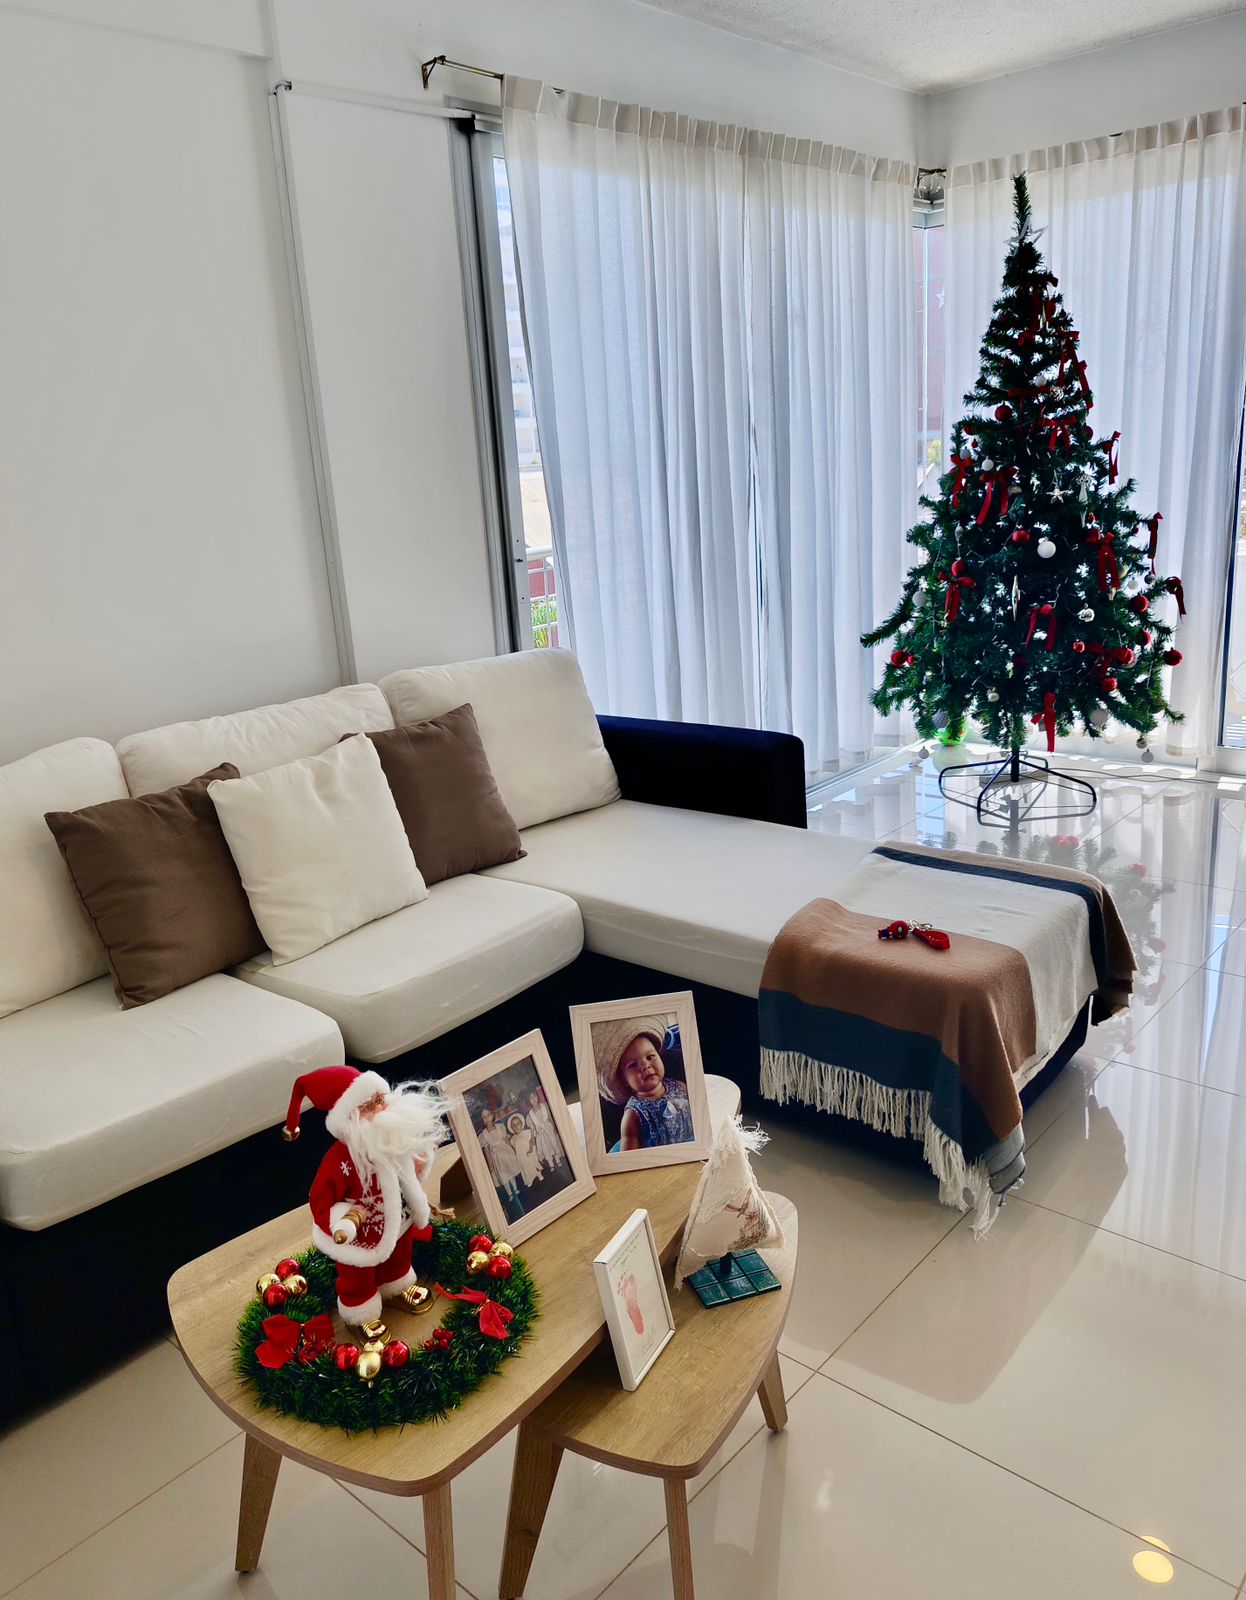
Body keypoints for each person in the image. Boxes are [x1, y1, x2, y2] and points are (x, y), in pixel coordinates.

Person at [283, 1066, 447, 1325]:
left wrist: (419, 1160)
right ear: (349, 1120)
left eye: (380, 1100)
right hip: (358, 1233)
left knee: (399, 1254)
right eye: (368, 1108)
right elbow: (320, 1199)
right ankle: (360, 1312)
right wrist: (342, 1221)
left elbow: (408, 1167)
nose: (380, 1110)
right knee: (356, 1276)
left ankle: (396, 1284)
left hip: (398, 1219)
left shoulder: (391, 1138)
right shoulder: (340, 1160)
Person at [595, 1017, 694, 1151]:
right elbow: (630, 1157)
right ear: (624, 1080)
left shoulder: (680, 1086)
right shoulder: (633, 1115)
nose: (645, 1066)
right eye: (633, 1065)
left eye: (650, 1057)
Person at [478, 1107, 525, 1220]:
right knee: (503, 1175)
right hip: (496, 1157)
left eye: (488, 1115)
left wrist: (512, 1149)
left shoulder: (500, 1127)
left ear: (492, 1115)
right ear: (482, 1120)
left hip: (505, 1153)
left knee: (510, 1172)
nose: (487, 1119)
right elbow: (487, 1150)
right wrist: (490, 1163)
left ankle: (515, 1188)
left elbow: (506, 1140)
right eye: (484, 1117)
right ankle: (510, 1193)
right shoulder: (484, 1135)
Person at [527, 1088, 565, 1173]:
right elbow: (532, 1128)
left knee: (553, 1144)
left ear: (538, 1096)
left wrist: (555, 1127)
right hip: (541, 1134)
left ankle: (558, 1160)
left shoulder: (544, 1106)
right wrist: (532, 1139)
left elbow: (550, 1118)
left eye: (534, 1096)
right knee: (546, 1148)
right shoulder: (530, 1115)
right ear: (529, 1101)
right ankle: (551, 1164)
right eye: (530, 1098)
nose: (533, 1099)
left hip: (549, 1129)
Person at [507, 1112, 545, 1187]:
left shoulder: (527, 1132)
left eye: (518, 1124)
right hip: (521, 1157)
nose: (516, 1126)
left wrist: (530, 1149)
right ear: (511, 1128)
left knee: (532, 1164)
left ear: (522, 1124)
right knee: (525, 1167)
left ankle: (538, 1174)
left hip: (529, 1152)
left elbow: (532, 1141)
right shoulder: (512, 1139)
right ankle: (529, 1178)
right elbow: (514, 1149)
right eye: (514, 1125)